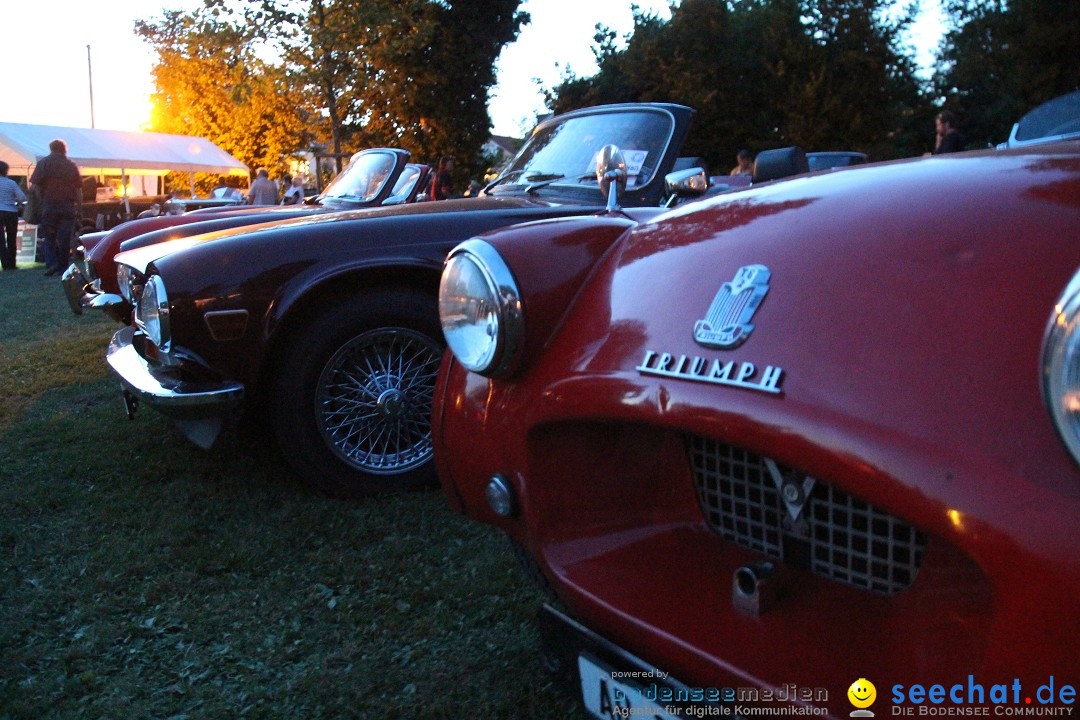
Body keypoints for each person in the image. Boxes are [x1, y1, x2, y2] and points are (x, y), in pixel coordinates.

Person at [29, 139, 81, 275]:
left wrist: (40, 202)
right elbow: (78, 188)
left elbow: (34, 186)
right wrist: (78, 207)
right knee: (65, 237)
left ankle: (52, 263)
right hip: (67, 206)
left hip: (49, 205)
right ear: (64, 149)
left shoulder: (43, 163)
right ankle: (63, 266)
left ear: (51, 149)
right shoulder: (71, 165)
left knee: (49, 235)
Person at [0, 161, 28, 271]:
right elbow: (22, 198)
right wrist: (16, 202)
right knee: (12, 238)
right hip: (10, 211)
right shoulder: (11, 183)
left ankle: (5, 263)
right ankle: (12, 263)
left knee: (0, 240)